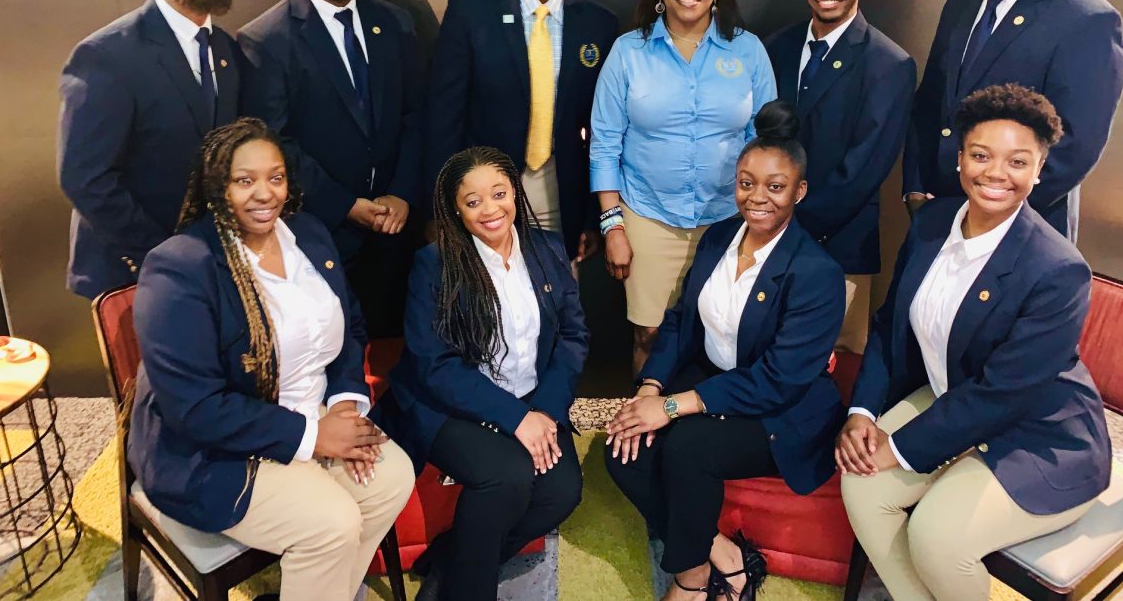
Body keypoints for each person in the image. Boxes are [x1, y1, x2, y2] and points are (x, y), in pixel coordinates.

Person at [839, 84, 1111, 601]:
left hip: (1040, 435)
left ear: (1038, 170)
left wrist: (896, 447)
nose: (995, 173)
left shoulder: (1058, 269)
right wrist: (863, 412)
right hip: (956, 398)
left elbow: (1006, 393)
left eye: (1017, 161)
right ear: (960, 157)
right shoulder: (933, 223)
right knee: (860, 482)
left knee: (937, 537)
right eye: (981, 155)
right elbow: (890, 324)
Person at [129, 118, 414, 601]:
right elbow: (194, 408)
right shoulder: (181, 267)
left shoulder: (308, 233)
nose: (265, 193)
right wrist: (314, 436)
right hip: (214, 452)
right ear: (218, 187)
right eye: (245, 180)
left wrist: (346, 402)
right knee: (332, 524)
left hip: (315, 411)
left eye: (276, 177)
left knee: (393, 478)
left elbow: (349, 328)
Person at [605, 101, 845, 601]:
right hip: (712, 378)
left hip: (782, 408)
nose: (757, 198)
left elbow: (778, 379)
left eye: (775, 187)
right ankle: (725, 554)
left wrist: (671, 406)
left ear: (799, 191)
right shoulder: (718, 238)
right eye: (746, 182)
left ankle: (692, 581)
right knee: (623, 448)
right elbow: (680, 322)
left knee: (686, 449)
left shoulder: (816, 272)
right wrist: (650, 386)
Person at [374, 146, 589, 601]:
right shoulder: (435, 264)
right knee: (506, 476)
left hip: (533, 399)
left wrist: (546, 412)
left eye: (499, 194)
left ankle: (452, 562)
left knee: (562, 491)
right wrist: (516, 420)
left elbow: (572, 337)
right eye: (473, 202)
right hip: (449, 404)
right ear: (456, 207)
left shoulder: (548, 247)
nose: (490, 209)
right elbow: (435, 366)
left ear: (515, 191)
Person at [903, 0, 1123, 242]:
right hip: (936, 219)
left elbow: (1073, 148)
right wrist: (914, 188)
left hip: (1018, 233)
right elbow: (931, 104)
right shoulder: (961, 4)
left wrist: (982, 213)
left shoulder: (1088, 19)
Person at [590, 0, 777, 373]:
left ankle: (705, 433)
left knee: (723, 334)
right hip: (649, 217)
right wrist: (612, 226)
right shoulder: (627, 52)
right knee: (650, 334)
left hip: (731, 220)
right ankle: (648, 432)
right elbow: (604, 144)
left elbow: (768, 140)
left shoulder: (748, 50)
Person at [239, 0, 424, 338]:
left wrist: (401, 193)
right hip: (320, 230)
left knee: (397, 349)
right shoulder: (266, 40)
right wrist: (344, 205)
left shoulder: (395, 23)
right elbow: (274, 144)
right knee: (332, 351)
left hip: (395, 226)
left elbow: (417, 116)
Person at [58, 0, 243, 300]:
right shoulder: (107, 54)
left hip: (206, 265)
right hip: (131, 271)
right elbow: (85, 178)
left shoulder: (226, 51)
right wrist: (160, 254)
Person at [423, 0, 618, 261]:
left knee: (555, 303)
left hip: (558, 192)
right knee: (486, 305)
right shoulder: (471, 9)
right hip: (482, 194)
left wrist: (593, 217)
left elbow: (602, 128)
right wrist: (439, 208)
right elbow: (443, 116)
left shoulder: (598, 21)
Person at [763, 0, 915, 352]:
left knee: (837, 357)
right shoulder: (776, 46)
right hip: (766, 233)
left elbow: (864, 169)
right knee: (770, 349)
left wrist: (789, 223)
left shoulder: (889, 63)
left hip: (840, 242)